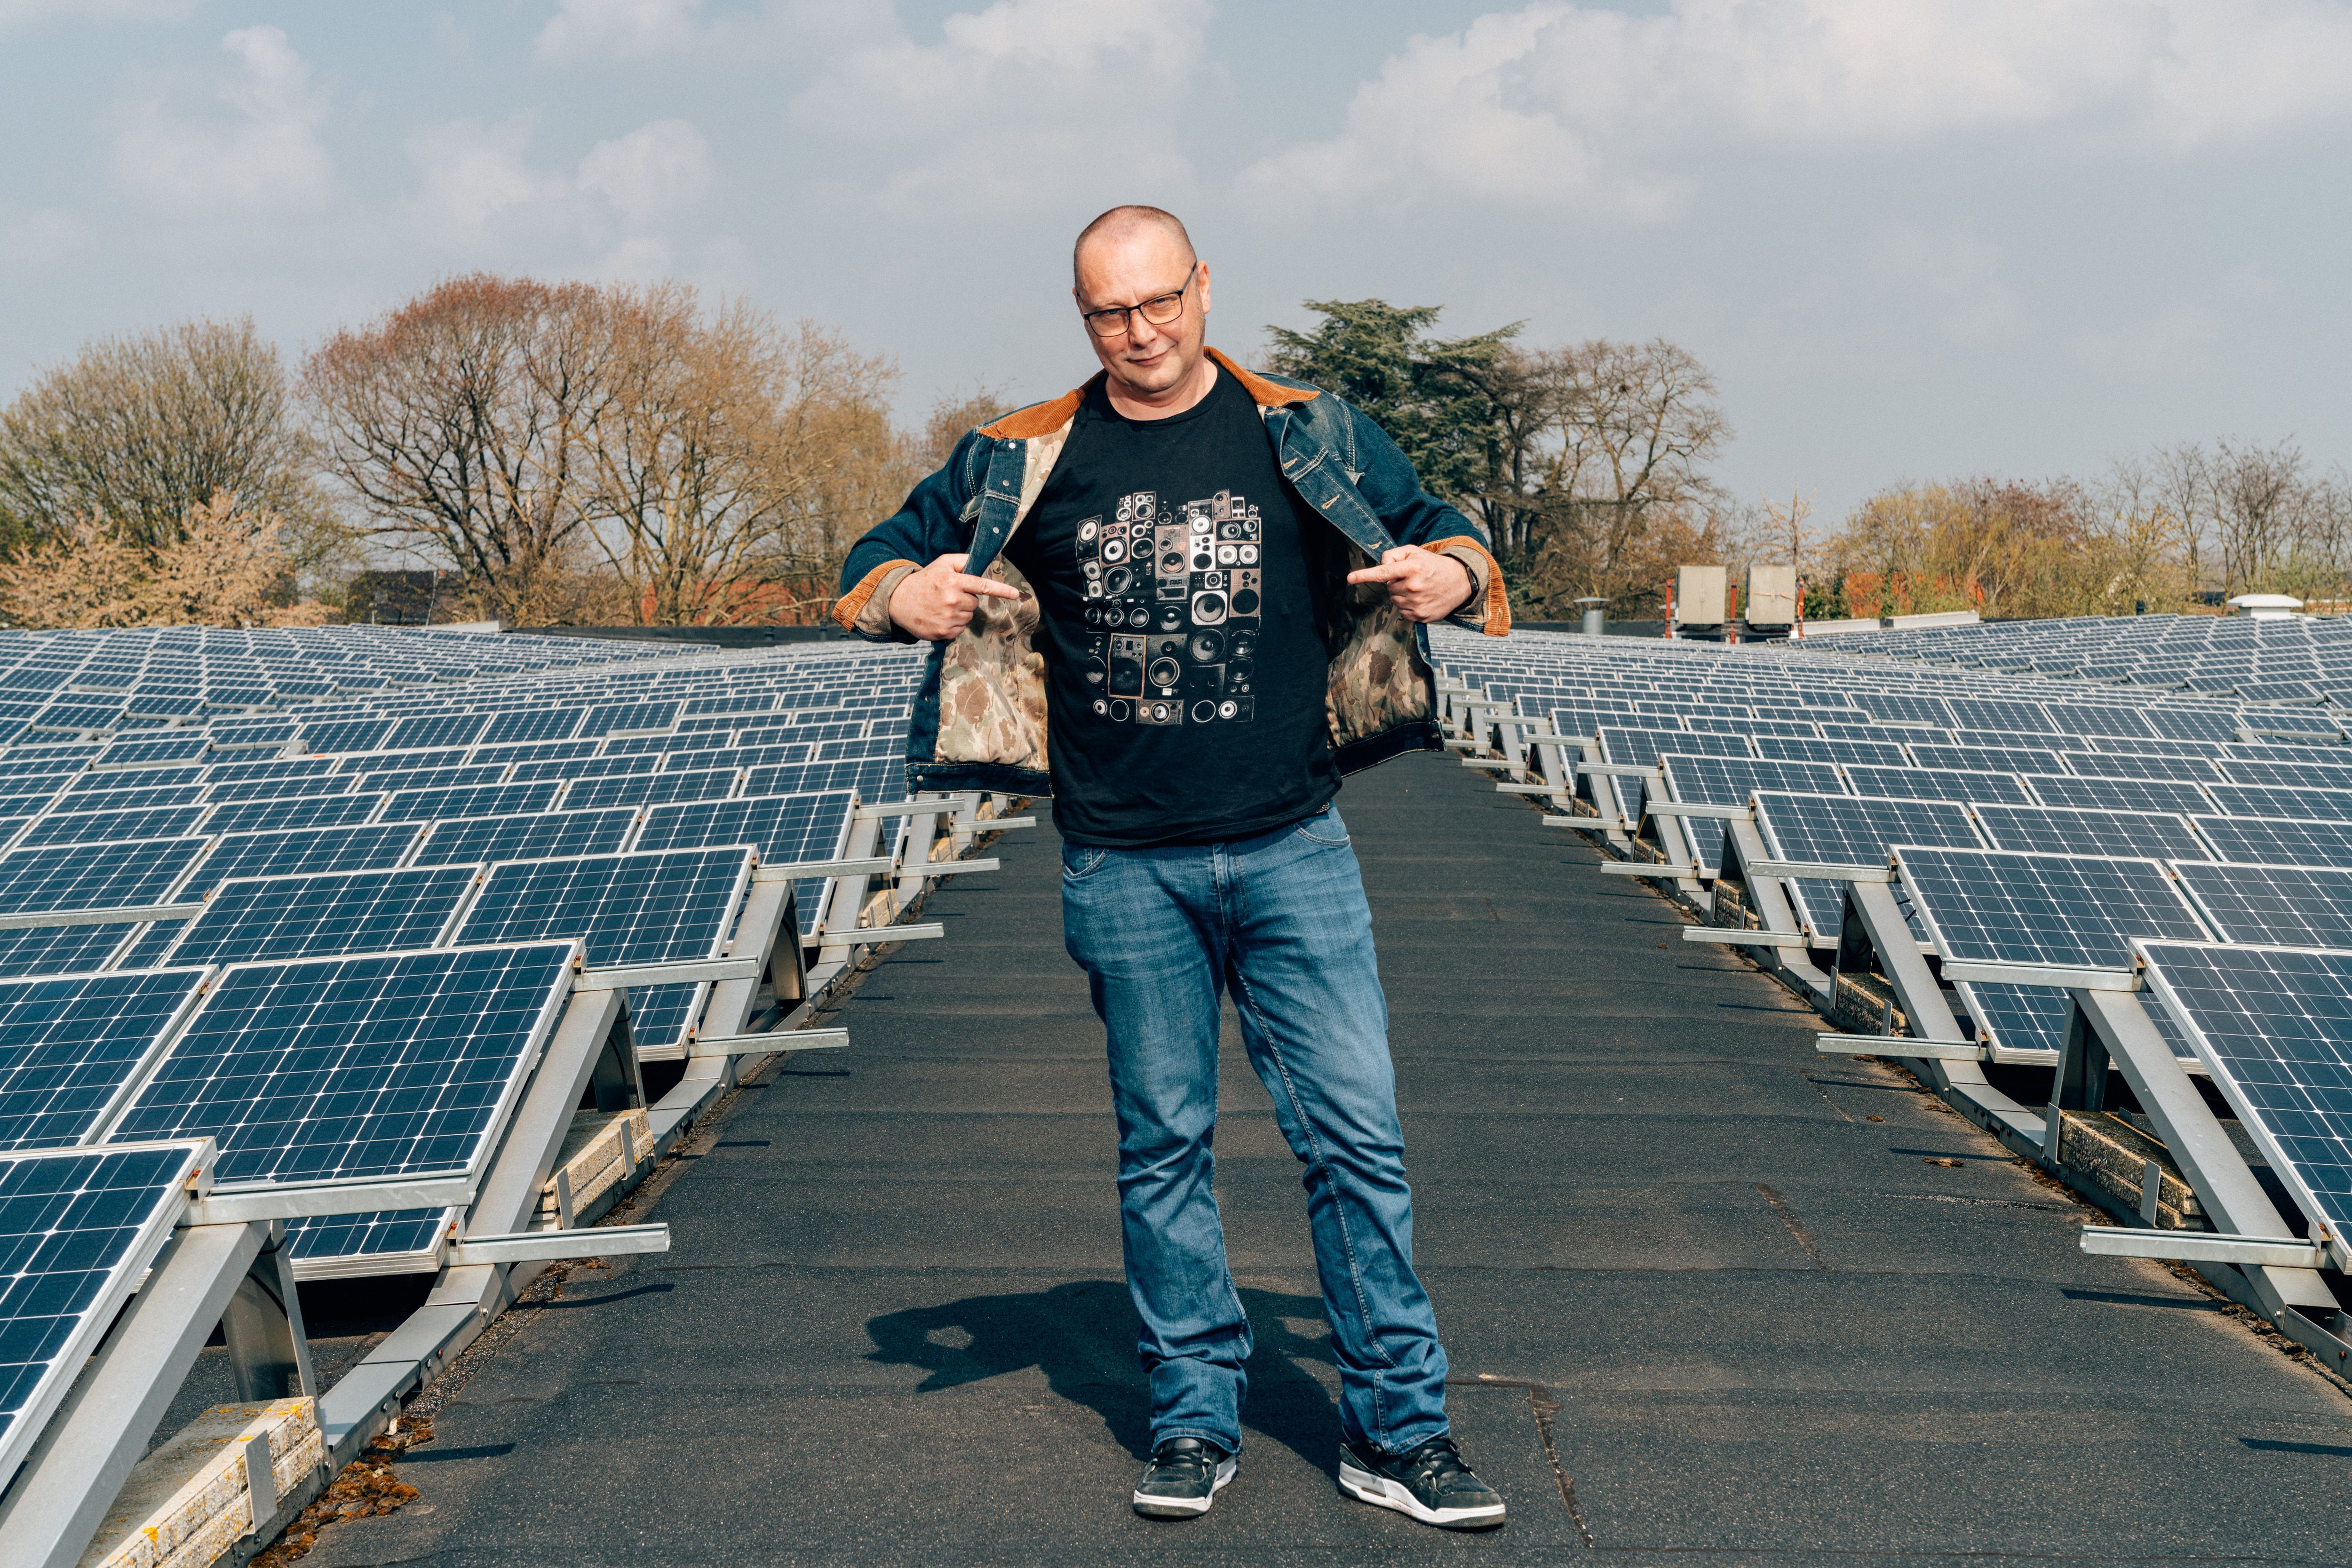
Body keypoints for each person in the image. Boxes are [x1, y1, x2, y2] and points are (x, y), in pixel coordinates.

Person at [834, 205, 1511, 1529]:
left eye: (1160, 303)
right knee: (1165, 1150)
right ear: (1080, 317)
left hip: (1292, 844)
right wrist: (901, 597)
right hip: (1125, 864)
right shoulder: (1024, 454)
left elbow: (1453, 531)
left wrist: (1449, 568)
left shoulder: (1301, 426)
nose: (1141, 335)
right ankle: (1195, 1419)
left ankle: (1401, 1431)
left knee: (1358, 1144)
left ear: (1204, 288)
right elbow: (872, 564)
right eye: (1109, 314)